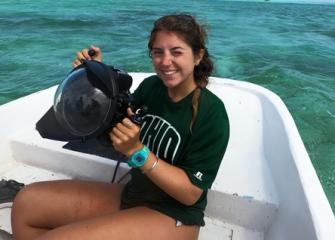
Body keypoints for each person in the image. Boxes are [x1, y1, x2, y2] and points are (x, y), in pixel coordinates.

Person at [11, 14, 229, 240]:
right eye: (157, 52)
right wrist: (94, 75)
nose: (165, 62)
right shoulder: (152, 87)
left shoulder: (212, 114)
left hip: (174, 215)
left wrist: (138, 153)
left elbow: (191, 194)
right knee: (27, 203)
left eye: (176, 52)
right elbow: (115, 115)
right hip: (135, 195)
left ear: (197, 56)